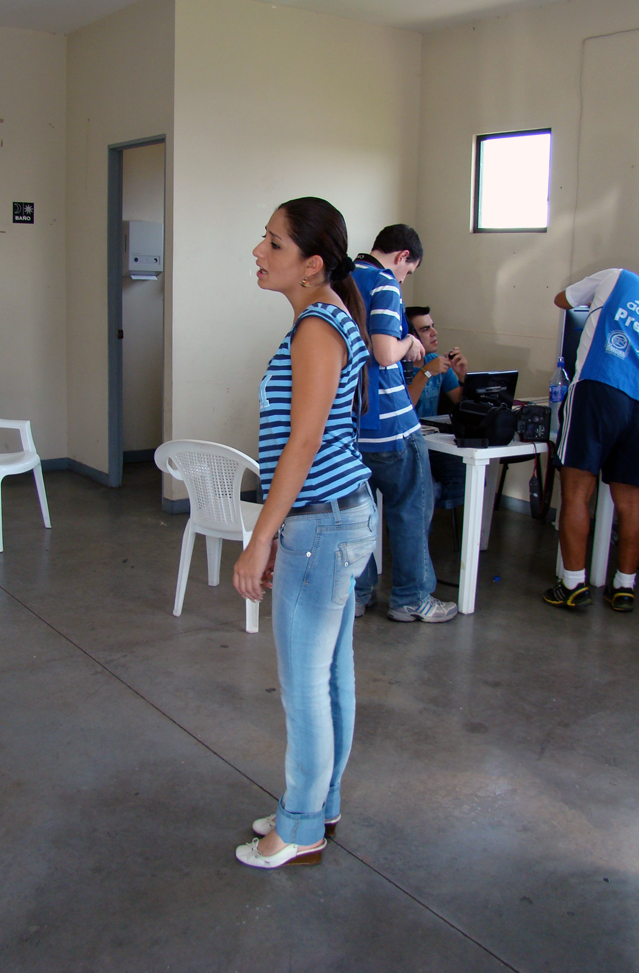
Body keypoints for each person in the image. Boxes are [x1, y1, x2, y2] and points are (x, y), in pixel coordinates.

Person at [232, 197, 377, 870]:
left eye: (274, 243)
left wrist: (261, 537)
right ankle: (319, 804)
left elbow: (304, 441)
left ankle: (299, 826)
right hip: (335, 519)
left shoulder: (317, 327)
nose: (258, 252)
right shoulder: (328, 317)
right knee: (330, 676)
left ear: (311, 264)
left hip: (320, 525)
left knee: (305, 686)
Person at [543, 269, 639, 612]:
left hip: (598, 388)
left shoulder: (619, 276)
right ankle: (624, 587)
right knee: (629, 498)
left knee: (576, 491)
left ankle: (573, 585)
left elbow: (563, 300)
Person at [351, 225, 458, 623]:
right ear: (402, 257)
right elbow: (383, 353)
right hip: (392, 424)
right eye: (408, 271)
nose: (403, 279)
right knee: (411, 510)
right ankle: (411, 598)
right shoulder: (384, 283)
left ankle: (358, 594)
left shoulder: (343, 279)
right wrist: (410, 343)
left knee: (358, 514)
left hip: (351, 422)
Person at [405, 305, 469, 508]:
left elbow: (461, 402)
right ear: (410, 336)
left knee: (469, 477)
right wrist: (425, 373)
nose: (434, 333)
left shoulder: (437, 362)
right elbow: (406, 408)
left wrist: (463, 376)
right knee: (427, 491)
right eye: (425, 329)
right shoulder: (397, 365)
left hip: (434, 443)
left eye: (433, 326)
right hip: (408, 446)